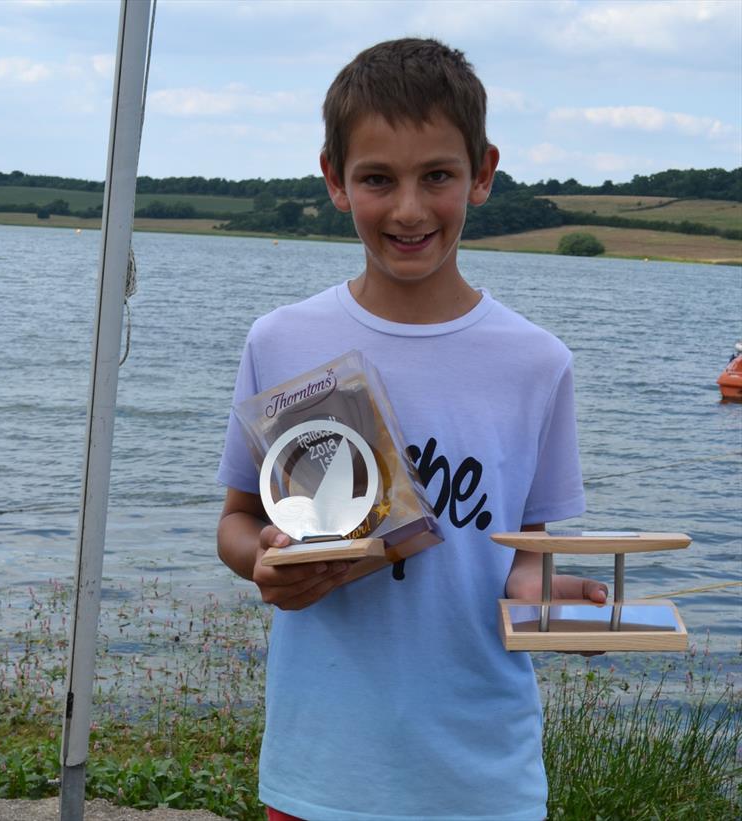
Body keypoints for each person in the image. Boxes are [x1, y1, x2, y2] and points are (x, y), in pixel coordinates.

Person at [216, 37, 607, 821]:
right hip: (322, 768)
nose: (408, 208)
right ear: (334, 179)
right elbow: (237, 521)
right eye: (376, 179)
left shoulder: (537, 362)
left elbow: (520, 554)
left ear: (483, 172)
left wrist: (557, 602)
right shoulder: (282, 340)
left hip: (483, 777)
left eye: (438, 175)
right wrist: (261, 561)